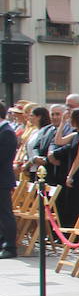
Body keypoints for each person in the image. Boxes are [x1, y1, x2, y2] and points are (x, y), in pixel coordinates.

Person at [52, 105, 79, 227]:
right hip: (75, 173)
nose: (70, 121)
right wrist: (62, 123)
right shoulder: (76, 134)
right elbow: (58, 141)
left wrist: (70, 175)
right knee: (76, 207)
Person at [0, 101, 16, 258]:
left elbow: (4, 157)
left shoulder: (6, 132)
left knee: (5, 213)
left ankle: (10, 246)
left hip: (3, 179)